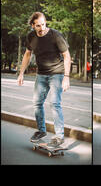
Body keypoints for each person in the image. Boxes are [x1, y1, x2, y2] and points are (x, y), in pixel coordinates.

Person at [17, 12, 71, 147]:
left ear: (45, 23)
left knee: (54, 103)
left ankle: (59, 136)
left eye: (43, 25)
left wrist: (66, 77)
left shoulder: (55, 35)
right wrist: (21, 73)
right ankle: (41, 131)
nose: (41, 28)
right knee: (36, 103)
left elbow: (67, 55)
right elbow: (27, 54)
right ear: (32, 26)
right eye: (38, 26)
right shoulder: (30, 36)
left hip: (57, 74)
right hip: (41, 74)